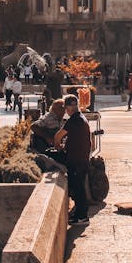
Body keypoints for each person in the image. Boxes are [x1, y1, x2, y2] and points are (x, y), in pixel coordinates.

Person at [54, 94, 91, 225]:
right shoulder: (80, 118)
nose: (66, 111)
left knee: (78, 188)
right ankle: (79, 213)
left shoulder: (74, 120)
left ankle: (83, 217)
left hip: (77, 159)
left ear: (69, 107)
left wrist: (57, 146)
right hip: (81, 157)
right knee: (78, 187)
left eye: (66, 108)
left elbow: (58, 136)